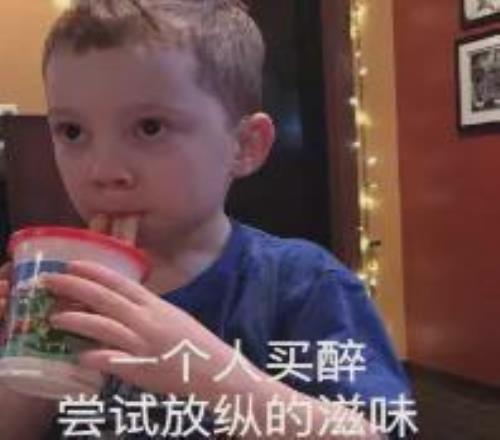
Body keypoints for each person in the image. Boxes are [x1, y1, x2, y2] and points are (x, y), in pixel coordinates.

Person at [0, 0, 412, 438]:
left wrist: (209, 373)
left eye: (150, 127)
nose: (103, 171)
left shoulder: (304, 285)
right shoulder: (60, 282)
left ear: (245, 145)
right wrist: (28, 358)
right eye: (72, 131)